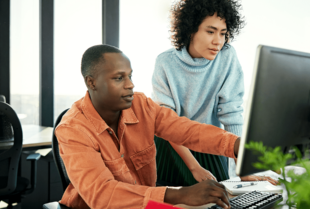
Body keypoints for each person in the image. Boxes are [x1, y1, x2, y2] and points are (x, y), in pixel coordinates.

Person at [56, 44, 242, 209]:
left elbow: (186, 130)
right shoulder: (72, 129)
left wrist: (236, 145)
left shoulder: (141, 105)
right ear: (92, 82)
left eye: (130, 75)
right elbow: (102, 194)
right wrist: (180, 194)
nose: (130, 84)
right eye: (119, 78)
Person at [152, 0, 278, 186]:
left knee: (219, 197)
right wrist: (194, 167)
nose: (218, 41)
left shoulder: (227, 57)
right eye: (210, 31)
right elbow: (167, 122)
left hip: (211, 144)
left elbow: (232, 114)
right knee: (174, 198)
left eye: (223, 33)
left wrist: (242, 170)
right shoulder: (165, 62)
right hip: (172, 147)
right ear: (190, 29)